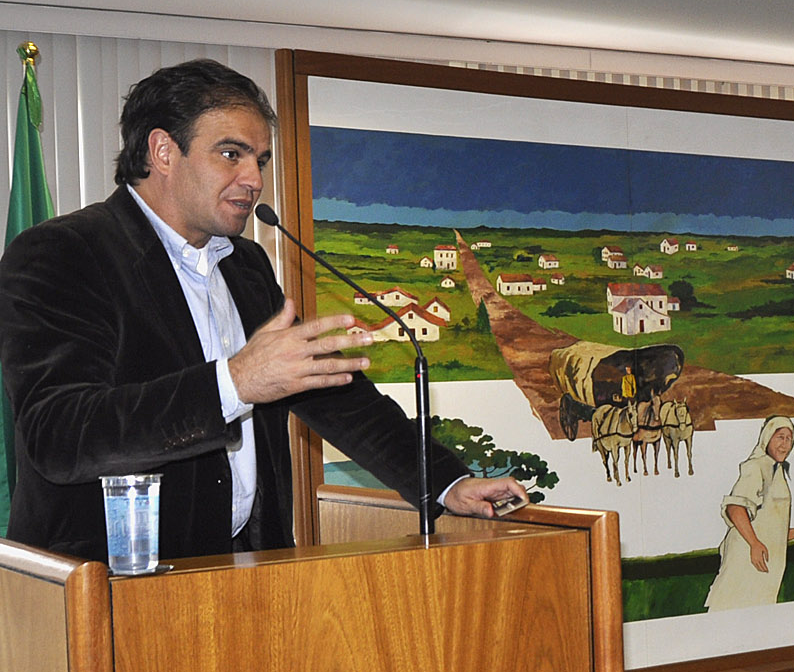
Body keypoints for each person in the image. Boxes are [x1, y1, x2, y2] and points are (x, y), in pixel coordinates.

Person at [0, 59, 522, 562]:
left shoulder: (245, 264)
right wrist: (235, 383)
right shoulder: (65, 253)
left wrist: (446, 482)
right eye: (232, 154)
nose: (254, 178)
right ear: (163, 151)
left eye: (261, 160)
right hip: (116, 581)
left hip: (247, 570)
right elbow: (60, 435)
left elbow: (337, 396)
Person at [703, 415, 794, 611]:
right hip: (747, 557)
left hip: (766, 562)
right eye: (780, 437)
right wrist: (754, 543)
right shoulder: (756, 466)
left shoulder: (777, 471)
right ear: (767, 437)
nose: (785, 444)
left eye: (789, 439)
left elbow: (770, 531)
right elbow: (735, 508)